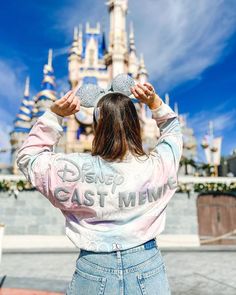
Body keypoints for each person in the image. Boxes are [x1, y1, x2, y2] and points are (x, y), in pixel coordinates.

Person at [16, 80, 183, 295]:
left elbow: (29, 157)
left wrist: (54, 115)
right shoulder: (158, 165)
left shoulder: (74, 169)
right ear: (135, 125)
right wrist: (155, 103)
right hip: (147, 267)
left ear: (97, 127)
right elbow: (172, 132)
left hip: (93, 269)